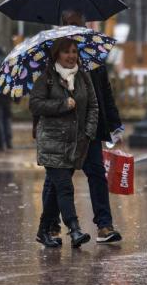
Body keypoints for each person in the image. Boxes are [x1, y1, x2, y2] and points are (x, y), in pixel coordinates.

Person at [43, 9, 124, 243]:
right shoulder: (51, 59)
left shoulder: (93, 59)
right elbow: (40, 100)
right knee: (57, 179)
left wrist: (115, 125)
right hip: (61, 132)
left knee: (97, 174)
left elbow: (105, 93)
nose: (74, 28)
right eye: (69, 24)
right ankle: (51, 226)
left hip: (91, 129)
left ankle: (105, 225)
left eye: (78, 24)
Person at [30, 38, 99, 248]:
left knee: (54, 191)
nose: (71, 56)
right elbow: (35, 105)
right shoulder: (46, 78)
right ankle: (75, 229)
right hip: (52, 143)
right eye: (66, 52)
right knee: (65, 187)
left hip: (75, 144)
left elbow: (93, 106)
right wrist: (62, 104)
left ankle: (43, 230)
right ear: (56, 55)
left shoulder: (83, 77)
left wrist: (88, 133)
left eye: (74, 52)